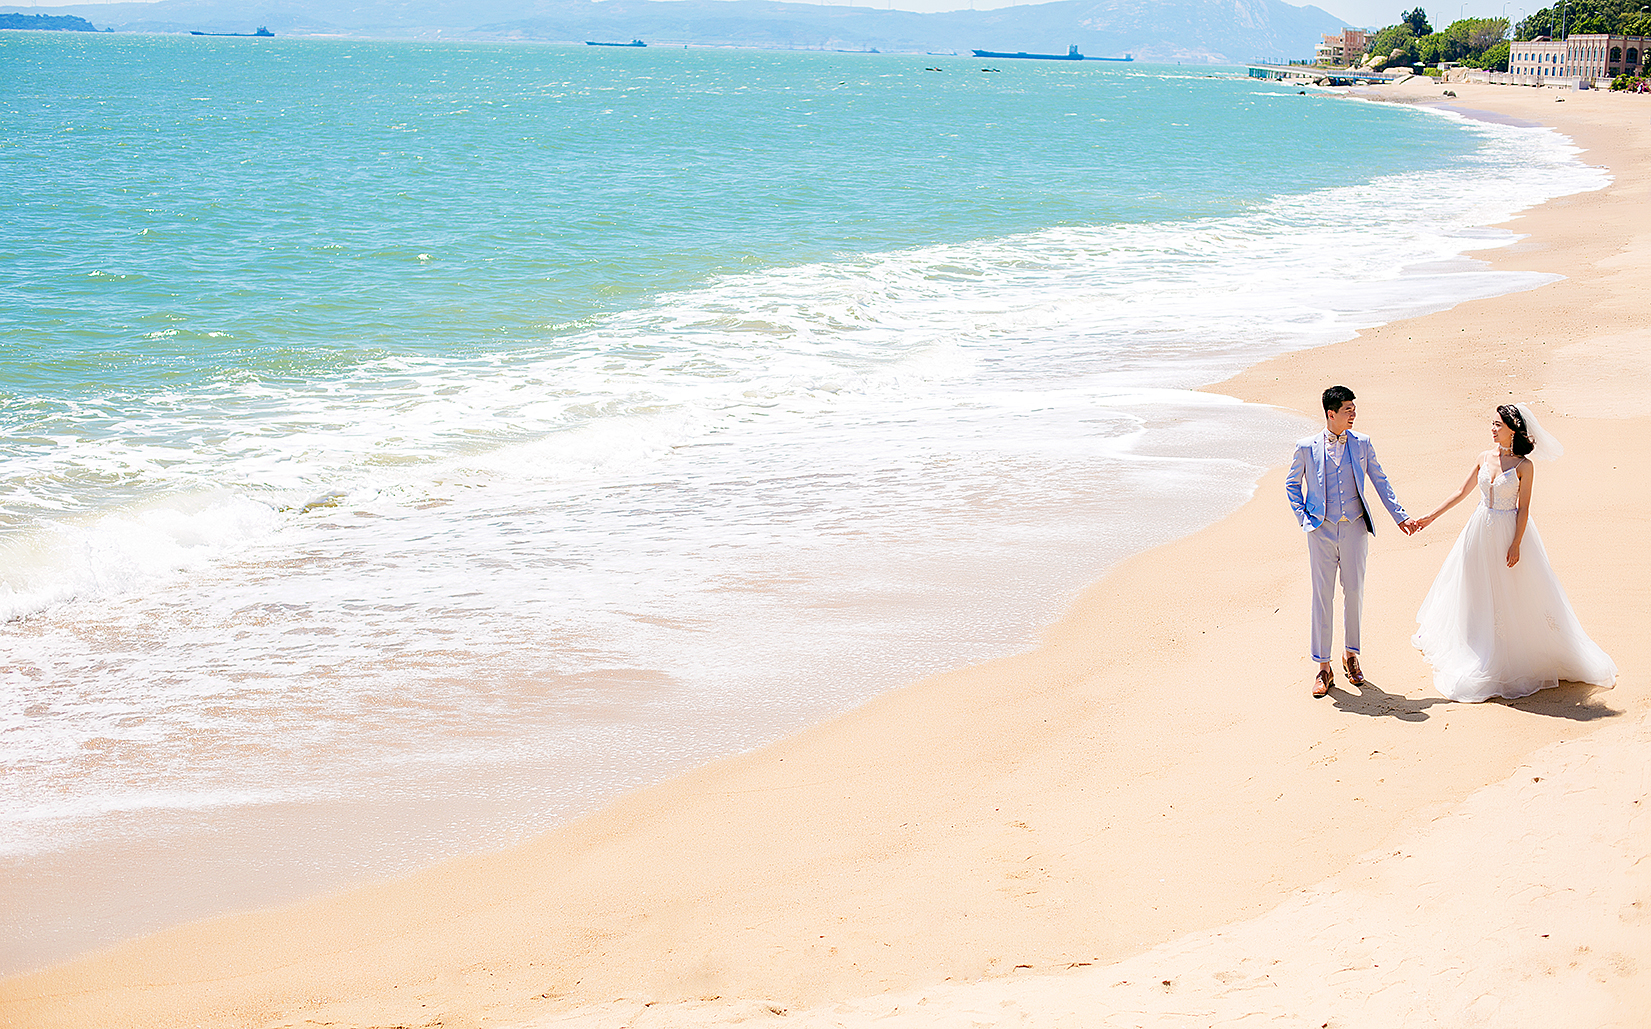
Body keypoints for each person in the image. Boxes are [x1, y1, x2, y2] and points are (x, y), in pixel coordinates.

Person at [1410, 404, 1616, 702]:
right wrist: (1430, 517)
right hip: (1478, 531)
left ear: (1512, 429)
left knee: (1511, 590)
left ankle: (1508, 649)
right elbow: (1461, 492)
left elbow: (1524, 508)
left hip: (1509, 532)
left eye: (1498, 424)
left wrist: (1516, 542)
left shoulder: (1524, 466)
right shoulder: (1483, 457)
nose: (1493, 429)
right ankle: (1476, 642)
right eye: (1493, 423)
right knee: (1476, 586)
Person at [1286, 386, 1418, 698]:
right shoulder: (1306, 447)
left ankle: (1351, 656)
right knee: (1322, 595)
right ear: (1331, 413)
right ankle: (1323, 666)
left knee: (1354, 592)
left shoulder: (1362, 444)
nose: (1353, 414)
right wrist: (1305, 518)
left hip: (1355, 528)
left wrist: (1400, 516)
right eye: (1348, 409)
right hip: (1321, 530)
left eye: (1353, 409)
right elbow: (1292, 484)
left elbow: (1380, 481)